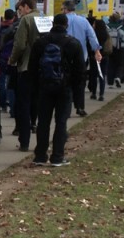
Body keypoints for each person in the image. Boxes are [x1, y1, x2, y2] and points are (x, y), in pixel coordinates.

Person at [28, 13, 86, 167]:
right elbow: (80, 71)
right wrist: (77, 94)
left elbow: (32, 67)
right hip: (64, 88)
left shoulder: (40, 43)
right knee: (61, 122)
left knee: (43, 121)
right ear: (66, 25)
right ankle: (57, 156)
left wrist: (35, 87)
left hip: (44, 87)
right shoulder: (73, 43)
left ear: (53, 23)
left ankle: (40, 155)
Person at [8, 0, 42, 153]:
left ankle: (24, 141)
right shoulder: (45, 19)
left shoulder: (26, 20)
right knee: (39, 104)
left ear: (26, 7)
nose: (19, 12)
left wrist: (12, 60)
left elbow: (20, 44)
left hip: (27, 67)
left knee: (24, 105)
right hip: (43, 68)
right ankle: (41, 139)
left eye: (20, 9)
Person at [61, 0, 101, 116]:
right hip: (81, 56)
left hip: (65, 56)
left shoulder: (62, 20)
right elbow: (92, 36)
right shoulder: (83, 21)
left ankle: (66, 108)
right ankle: (80, 107)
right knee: (80, 83)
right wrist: (97, 50)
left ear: (65, 9)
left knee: (66, 82)